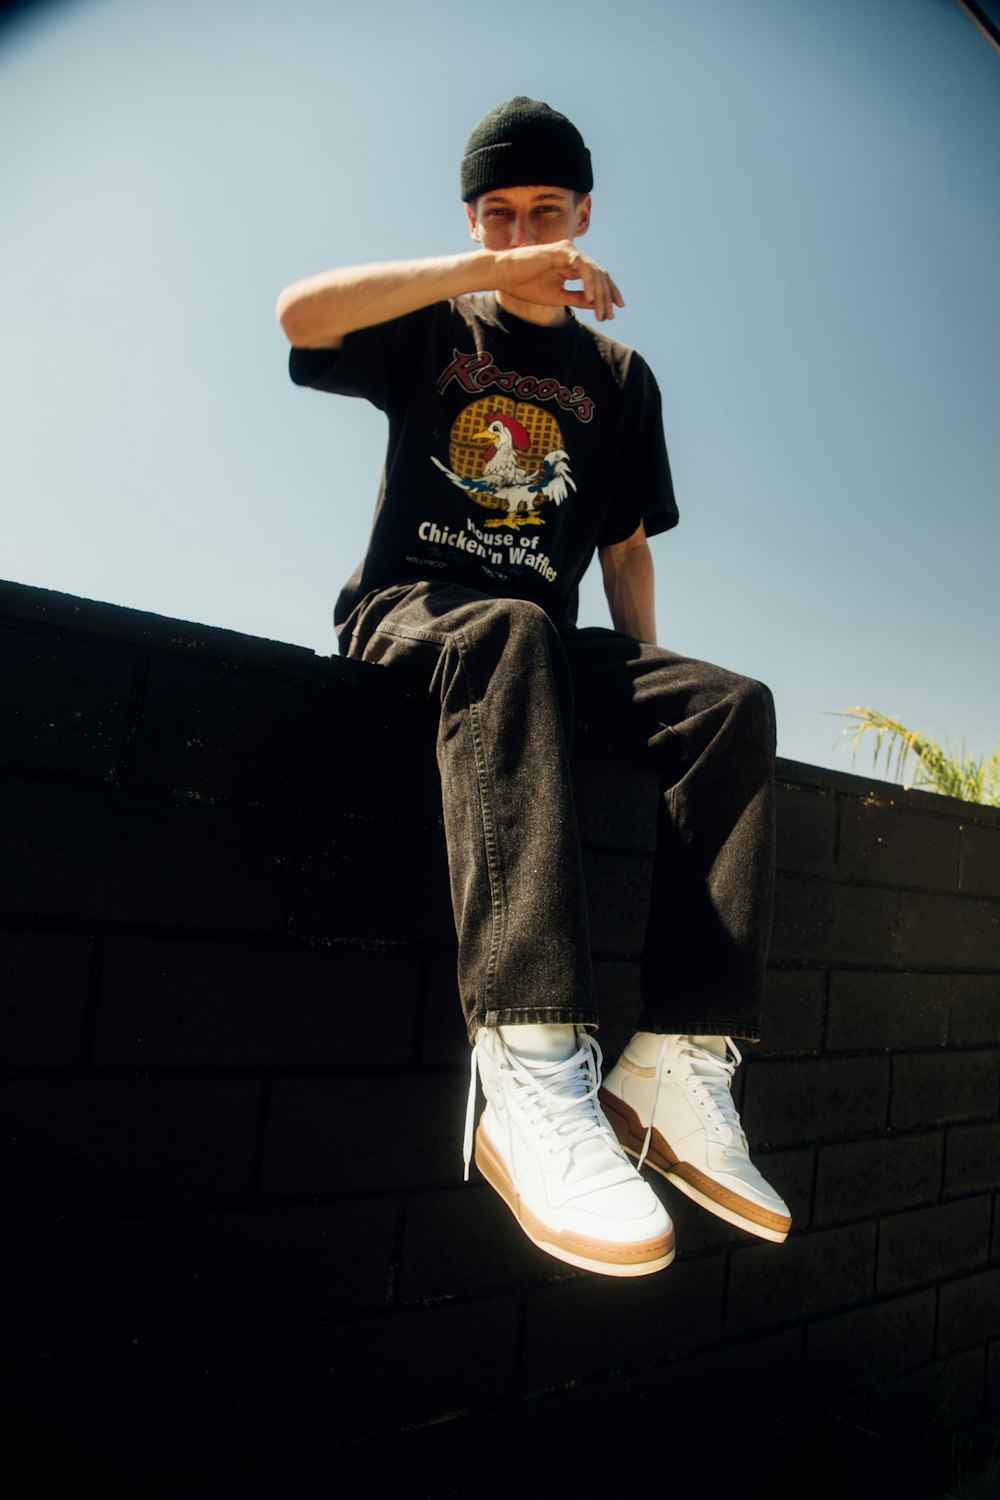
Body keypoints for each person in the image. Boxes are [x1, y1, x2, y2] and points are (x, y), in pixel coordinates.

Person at [277, 96, 790, 1278]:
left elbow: (622, 549)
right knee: (510, 628)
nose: (522, 234)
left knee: (731, 704)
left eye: (544, 214)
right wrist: (481, 265)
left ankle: (673, 1063)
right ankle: (527, 1062)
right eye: (497, 216)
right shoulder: (432, 323)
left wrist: (648, 690)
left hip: (539, 648)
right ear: (471, 220)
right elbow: (296, 314)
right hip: (416, 618)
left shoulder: (618, 376)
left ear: (587, 212)